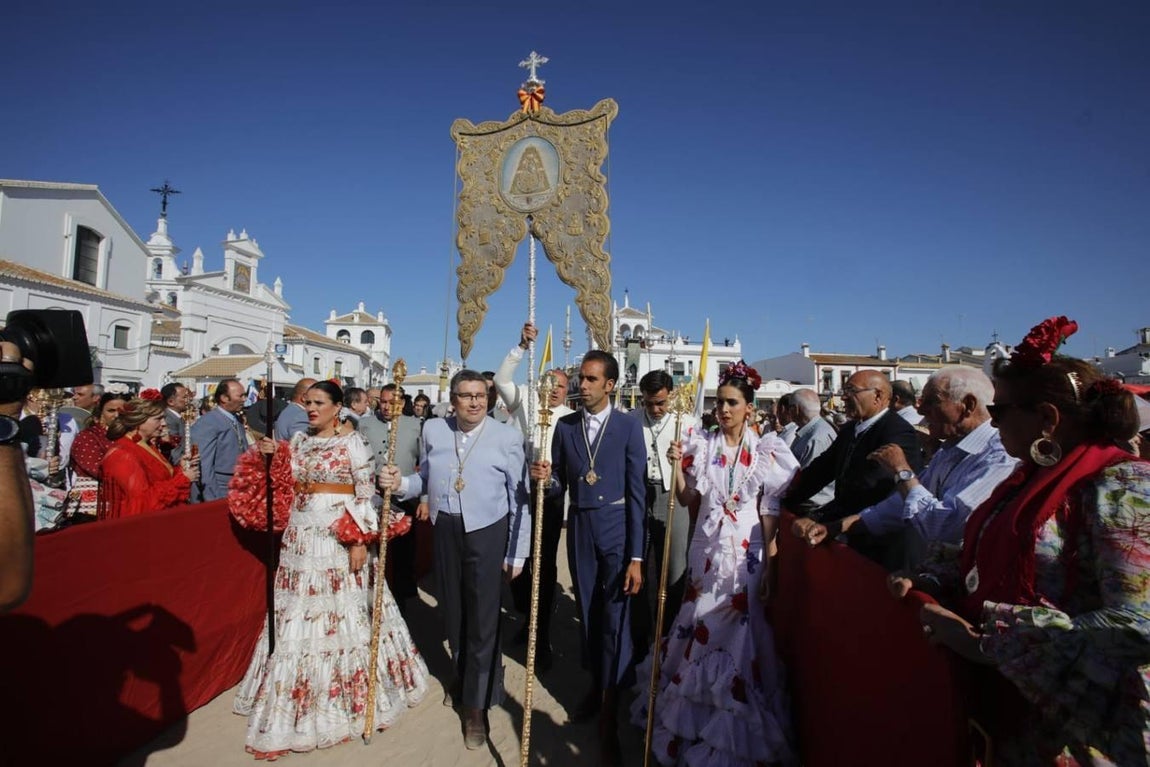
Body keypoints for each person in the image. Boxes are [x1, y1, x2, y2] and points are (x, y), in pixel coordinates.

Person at [892, 316, 1150, 765]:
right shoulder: (1028, 478)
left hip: (1086, 728)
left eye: (1000, 412)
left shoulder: (1121, 487)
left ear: (1047, 419)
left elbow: (1136, 623)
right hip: (1016, 714)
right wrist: (934, 578)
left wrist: (987, 642)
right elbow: (991, 549)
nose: (993, 424)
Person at [234, 381, 429, 758]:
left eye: (319, 403)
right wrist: (272, 458)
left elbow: (364, 493)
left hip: (338, 537)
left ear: (338, 407)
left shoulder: (354, 442)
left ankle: (347, 698)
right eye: (308, 402)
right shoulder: (299, 441)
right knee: (297, 614)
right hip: (300, 540)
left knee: (344, 615)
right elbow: (286, 483)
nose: (311, 409)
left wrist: (359, 539)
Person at [632, 361, 799, 765]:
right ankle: (690, 721)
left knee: (741, 633)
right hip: (706, 549)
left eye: (732, 403)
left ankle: (732, 724)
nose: (723, 409)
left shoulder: (767, 450)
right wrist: (677, 467)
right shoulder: (702, 445)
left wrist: (771, 563)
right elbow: (687, 499)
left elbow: (769, 509)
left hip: (745, 555)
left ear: (749, 408)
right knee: (698, 623)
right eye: (720, 402)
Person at [379, 370, 529, 750]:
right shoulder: (434, 430)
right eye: (466, 395)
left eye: (480, 395)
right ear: (453, 399)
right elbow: (426, 478)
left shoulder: (507, 437)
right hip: (445, 528)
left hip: (487, 529)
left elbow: (520, 500)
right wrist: (401, 484)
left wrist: (517, 551)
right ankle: (465, 675)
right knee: (454, 611)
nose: (474, 402)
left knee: (482, 617)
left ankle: (476, 705)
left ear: (488, 398)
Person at [530, 350, 646, 766]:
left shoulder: (628, 427)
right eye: (581, 377)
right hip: (579, 526)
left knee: (615, 618)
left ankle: (610, 713)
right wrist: (546, 480)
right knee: (589, 611)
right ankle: (596, 686)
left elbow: (637, 493)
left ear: (610, 385)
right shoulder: (564, 426)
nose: (583, 385)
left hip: (617, 528)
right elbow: (561, 483)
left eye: (592, 379)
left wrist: (636, 556)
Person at [783, 369, 923, 569]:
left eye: (851, 391)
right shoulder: (850, 429)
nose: (844, 397)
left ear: (878, 396)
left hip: (880, 546)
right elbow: (821, 471)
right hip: (849, 535)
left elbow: (869, 489)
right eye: (844, 391)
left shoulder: (897, 432)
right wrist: (784, 499)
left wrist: (818, 518)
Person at [493, 322, 573, 670]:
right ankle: (526, 614)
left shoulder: (570, 419)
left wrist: (552, 478)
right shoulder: (523, 400)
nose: (553, 390)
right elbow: (501, 380)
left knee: (543, 564)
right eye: (549, 383)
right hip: (515, 493)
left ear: (567, 392)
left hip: (549, 497)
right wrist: (521, 347)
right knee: (514, 561)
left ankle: (540, 633)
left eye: (560, 386)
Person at [629, 369, 695, 649]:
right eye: (649, 403)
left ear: (671, 396)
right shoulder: (632, 420)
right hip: (639, 495)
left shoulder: (687, 423)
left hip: (673, 497)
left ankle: (668, 635)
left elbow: (697, 466)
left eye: (661, 403)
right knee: (636, 565)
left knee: (674, 568)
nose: (655, 409)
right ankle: (639, 635)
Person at [358, 383, 422, 613]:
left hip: (405, 496)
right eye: (382, 402)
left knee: (403, 551)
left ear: (402, 403)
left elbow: (425, 464)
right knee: (375, 550)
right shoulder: (365, 424)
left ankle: (402, 599)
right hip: (373, 495)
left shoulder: (416, 426)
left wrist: (424, 499)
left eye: (392, 402)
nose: (386, 407)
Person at [99, 390, 199, 520]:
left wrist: (181, 469)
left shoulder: (144, 445)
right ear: (139, 421)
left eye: (163, 418)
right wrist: (183, 480)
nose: (164, 423)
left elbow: (159, 480)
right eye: (158, 419)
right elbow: (142, 502)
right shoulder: (123, 454)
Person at [66, 391, 129, 520]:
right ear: (101, 413)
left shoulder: (131, 437)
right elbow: (98, 469)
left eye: (122, 411)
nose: (117, 415)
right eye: (111, 411)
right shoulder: (88, 436)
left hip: (124, 504)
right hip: (91, 508)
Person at [190, 378, 249, 502]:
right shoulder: (209, 422)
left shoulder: (236, 419)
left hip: (238, 486)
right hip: (220, 489)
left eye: (245, 395)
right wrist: (213, 499)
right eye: (240, 396)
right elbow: (205, 465)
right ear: (224, 398)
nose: (244, 399)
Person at [160, 383, 191, 465]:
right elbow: (173, 450)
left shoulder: (177, 417)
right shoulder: (169, 420)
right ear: (171, 401)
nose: (188, 400)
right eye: (184, 397)